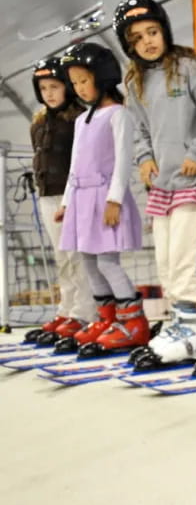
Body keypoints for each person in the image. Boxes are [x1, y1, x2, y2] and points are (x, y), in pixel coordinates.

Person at [113, 0, 196, 367]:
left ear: (165, 30)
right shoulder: (136, 82)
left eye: (153, 32)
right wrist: (144, 160)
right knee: (165, 260)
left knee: (184, 258)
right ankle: (179, 321)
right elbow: (139, 129)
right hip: (162, 186)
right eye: (138, 38)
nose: (148, 42)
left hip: (191, 181)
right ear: (130, 46)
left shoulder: (190, 70)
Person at [55, 41, 149, 355]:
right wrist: (66, 202)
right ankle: (107, 319)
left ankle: (132, 321)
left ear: (103, 77)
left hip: (104, 197)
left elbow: (124, 159)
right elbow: (75, 165)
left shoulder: (117, 115)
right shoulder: (81, 120)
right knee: (88, 262)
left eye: (85, 80)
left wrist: (115, 200)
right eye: (75, 83)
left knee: (108, 261)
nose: (80, 88)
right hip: (82, 200)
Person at [24, 57, 95, 346]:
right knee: (62, 258)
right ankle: (66, 309)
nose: (49, 94)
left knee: (78, 257)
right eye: (43, 89)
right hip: (48, 196)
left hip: (73, 197)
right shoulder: (39, 122)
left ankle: (85, 312)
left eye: (55, 86)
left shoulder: (79, 119)